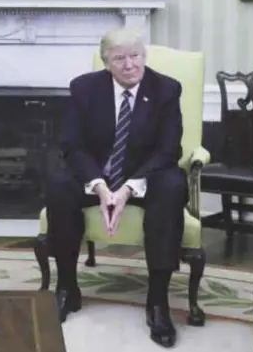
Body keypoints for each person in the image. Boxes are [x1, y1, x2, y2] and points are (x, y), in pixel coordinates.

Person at [46, 27, 186, 348]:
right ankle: (67, 287)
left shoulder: (165, 89)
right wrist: (99, 186)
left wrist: (128, 189)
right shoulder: (84, 88)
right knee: (59, 184)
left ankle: (157, 301)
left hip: (144, 176)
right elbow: (72, 146)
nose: (129, 65)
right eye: (119, 58)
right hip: (98, 175)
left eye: (135, 56)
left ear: (144, 55)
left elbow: (169, 149)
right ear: (106, 61)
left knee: (173, 184)